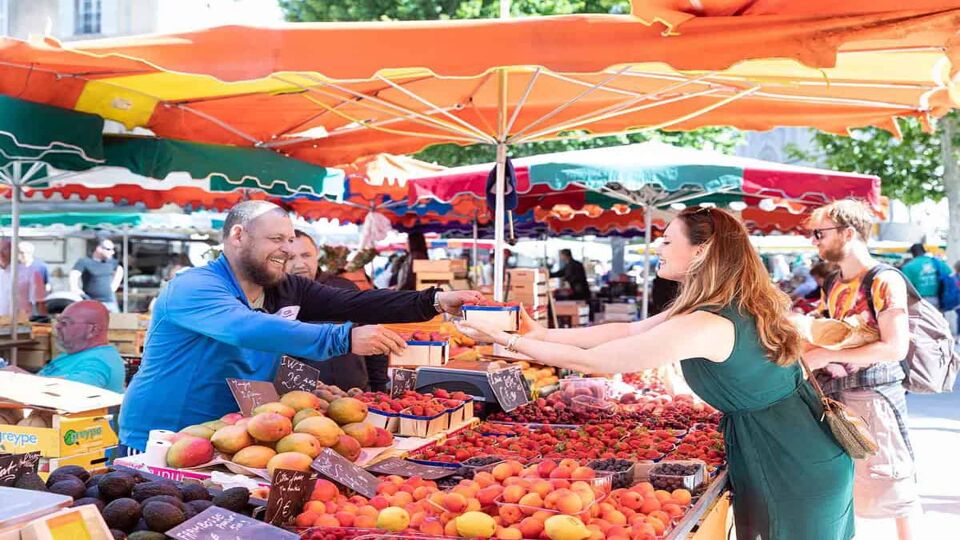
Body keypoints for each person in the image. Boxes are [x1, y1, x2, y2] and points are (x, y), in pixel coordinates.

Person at [459, 207, 854, 540]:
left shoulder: (706, 322)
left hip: (789, 459)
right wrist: (540, 333)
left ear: (701, 251)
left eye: (667, 240)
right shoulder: (717, 305)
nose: (657, 247)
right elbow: (627, 330)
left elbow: (600, 362)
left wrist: (506, 341)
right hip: (792, 445)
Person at [119, 201, 481, 452]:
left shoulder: (285, 287)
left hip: (233, 430)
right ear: (238, 236)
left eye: (290, 240)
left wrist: (433, 300)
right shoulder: (194, 286)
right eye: (276, 240)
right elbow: (245, 328)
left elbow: (353, 302)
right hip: (164, 433)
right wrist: (343, 337)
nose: (288, 251)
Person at [803, 200, 920, 540]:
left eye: (820, 233)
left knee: (894, 487)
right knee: (845, 489)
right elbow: (837, 336)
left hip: (875, 398)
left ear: (848, 232)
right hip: (839, 397)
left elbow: (895, 347)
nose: (815, 241)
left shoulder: (884, 281)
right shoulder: (834, 283)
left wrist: (824, 355)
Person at [285, 230, 388, 392]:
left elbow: (375, 338)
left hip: (356, 394)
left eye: (306, 255)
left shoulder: (345, 288)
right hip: (301, 401)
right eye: (290, 258)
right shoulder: (274, 297)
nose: (299, 264)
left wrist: (379, 387)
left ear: (317, 254)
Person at [38, 301, 124, 393]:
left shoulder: (97, 362)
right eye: (58, 321)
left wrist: (24, 382)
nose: (57, 326)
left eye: (65, 323)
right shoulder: (74, 354)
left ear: (93, 330)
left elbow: (76, 391)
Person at [70, 239, 124, 313]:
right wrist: (74, 287)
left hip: (110, 302)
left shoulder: (111, 262)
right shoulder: (85, 261)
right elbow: (74, 273)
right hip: (90, 302)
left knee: (115, 323)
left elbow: (120, 269)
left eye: (113, 249)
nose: (112, 252)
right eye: (109, 249)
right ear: (99, 249)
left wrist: (114, 285)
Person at [0, 239, 46, 320]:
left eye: (5, 249)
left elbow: (40, 302)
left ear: (14, 252)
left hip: (20, 325)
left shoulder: (31, 272)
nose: (1, 254)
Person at [900, 242, 951, 307]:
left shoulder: (908, 267)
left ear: (912, 253)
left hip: (919, 301)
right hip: (938, 298)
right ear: (924, 251)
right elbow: (949, 274)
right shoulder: (937, 262)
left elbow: (906, 287)